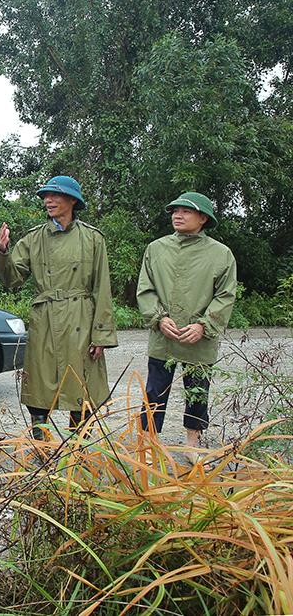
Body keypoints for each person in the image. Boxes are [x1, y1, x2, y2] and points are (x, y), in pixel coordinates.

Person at [0, 176, 117, 437]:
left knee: (82, 385)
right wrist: (3, 252)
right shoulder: (34, 239)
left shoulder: (93, 239)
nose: (48, 201)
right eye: (45, 197)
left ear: (73, 201)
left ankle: (78, 446)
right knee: (39, 385)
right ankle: (42, 444)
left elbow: (102, 288)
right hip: (45, 319)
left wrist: (101, 334)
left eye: (55, 196)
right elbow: (12, 278)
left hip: (80, 317)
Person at [136, 192, 237, 448]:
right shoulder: (156, 249)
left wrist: (205, 325)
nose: (178, 216)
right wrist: (158, 319)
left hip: (199, 338)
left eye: (186, 211)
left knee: (198, 391)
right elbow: (145, 289)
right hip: (164, 335)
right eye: (174, 211)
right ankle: (149, 443)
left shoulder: (221, 254)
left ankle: (193, 443)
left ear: (203, 218)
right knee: (154, 391)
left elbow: (226, 295)